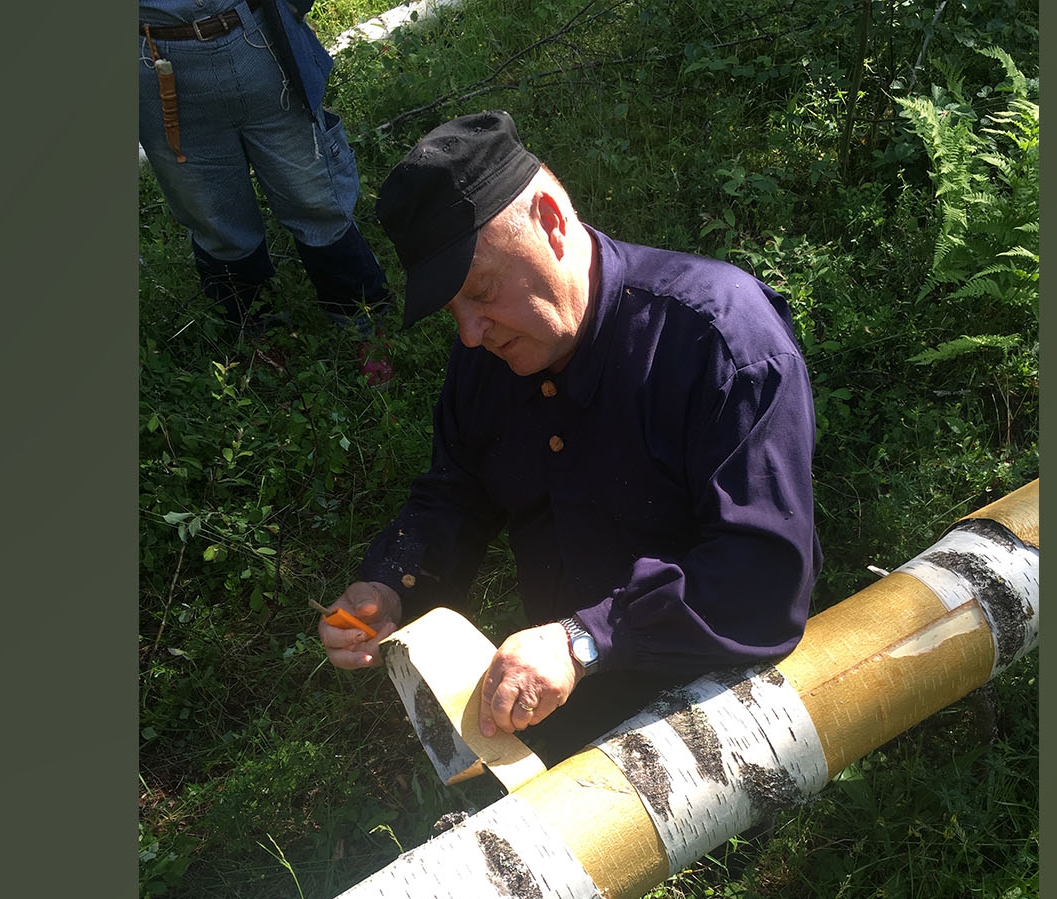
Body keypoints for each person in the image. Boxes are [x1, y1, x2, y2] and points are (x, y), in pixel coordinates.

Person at [318, 112, 820, 763]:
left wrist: (583, 640)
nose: (470, 334)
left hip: (718, 702)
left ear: (553, 223)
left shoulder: (720, 344)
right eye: (453, 313)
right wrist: (390, 584)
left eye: (483, 292)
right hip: (561, 703)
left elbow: (763, 583)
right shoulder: (489, 357)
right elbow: (456, 493)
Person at [138, 0, 392, 350]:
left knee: (315, 198)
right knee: (216, 221)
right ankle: (258, 342)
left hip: (256, 40)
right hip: (154, 59)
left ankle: (366, 329)